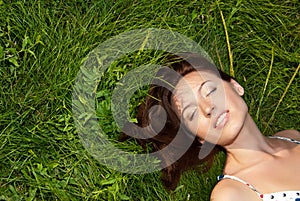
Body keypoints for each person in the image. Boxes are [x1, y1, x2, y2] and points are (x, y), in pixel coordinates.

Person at [121, 52, 300, 201]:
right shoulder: (231, 194)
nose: (208, 107)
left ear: (236, 86)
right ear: (199, 137)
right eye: (192, 113)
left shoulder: (292, 136)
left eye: (210, 91)